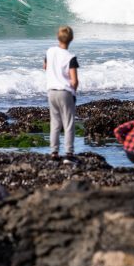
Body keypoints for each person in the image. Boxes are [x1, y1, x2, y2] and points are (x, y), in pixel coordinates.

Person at [44, 26, 80, 164]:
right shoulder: (70, 57)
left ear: (57, 37)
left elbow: (45, 67)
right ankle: (69, 154)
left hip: (51, 91)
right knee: (68, 123)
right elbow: (74, 80)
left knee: (55, 123)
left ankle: (54, 152)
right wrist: (74, 92)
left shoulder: (50, 51)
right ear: (71, 39)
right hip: (65, 92)